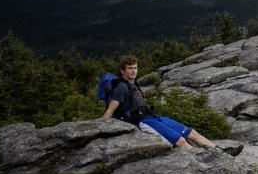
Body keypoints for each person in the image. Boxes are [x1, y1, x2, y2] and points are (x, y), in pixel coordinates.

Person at [103, 56, 243, 156]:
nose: (133, 71)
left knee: (191, 132)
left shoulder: (133, 83)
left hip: (152, 117)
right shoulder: (122, 86)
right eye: (130, 68)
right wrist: (102, 127)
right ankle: (209, 160)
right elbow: (112, 107)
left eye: (135, 68)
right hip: (142, 121)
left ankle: (223, 152)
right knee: (181, 141)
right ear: (122, 71)